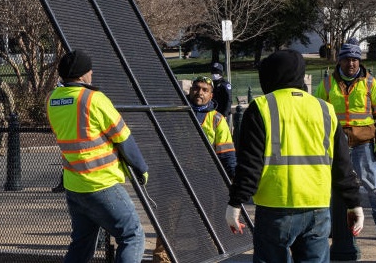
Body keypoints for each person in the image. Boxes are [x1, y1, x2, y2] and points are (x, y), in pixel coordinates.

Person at [227, 50, 364, 262]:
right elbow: (342, 165)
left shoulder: (262, 108)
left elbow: (250, 165)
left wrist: (236, 203)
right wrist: (354, 204)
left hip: (275, 207)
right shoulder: (325, 109)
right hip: (317, 207)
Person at [48, 50, 148, 263]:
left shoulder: (52, 99)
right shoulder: (93, 99)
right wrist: (141, 168)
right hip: (100, 184)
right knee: (133, 235)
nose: (92, 73)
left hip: (74, 186)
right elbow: (123, 138)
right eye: (89, 70)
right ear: (82, 74)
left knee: (82, 244)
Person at [314, 38, 376, 241]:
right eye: (347, 59)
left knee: (373, 186)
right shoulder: (326, 84)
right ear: (339, 61)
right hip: (336, 144)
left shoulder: (371, 83)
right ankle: (334, 227)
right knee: (332, 187)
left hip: (363, 144)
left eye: (355, 59)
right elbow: (317, 115)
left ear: (359, 61)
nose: (351, 63)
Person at [153, 75, 236, 262]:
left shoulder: (217, 120)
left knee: (205, 227)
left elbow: (227, 155)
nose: (199, 93)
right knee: (166, 228)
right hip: (173, 180)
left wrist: (233, 182)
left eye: (205, 90)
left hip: (203, 182)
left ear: (211, 94)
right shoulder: (177, 114)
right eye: (196, 88)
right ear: (190, 90)